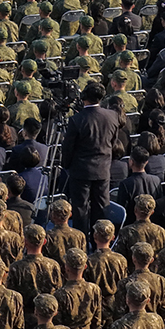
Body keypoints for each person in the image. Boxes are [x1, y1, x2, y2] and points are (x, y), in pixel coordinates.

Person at [61, 81, 124, 236]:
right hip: (103, 169)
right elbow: (113, 142)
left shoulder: (76, 120)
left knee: (80, 210)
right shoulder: (113, 116)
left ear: (84, 97)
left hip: (81, 171)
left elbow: (68, 147)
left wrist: (66, 166)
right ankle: (101, 242)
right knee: (101, 209)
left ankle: (81, 242)